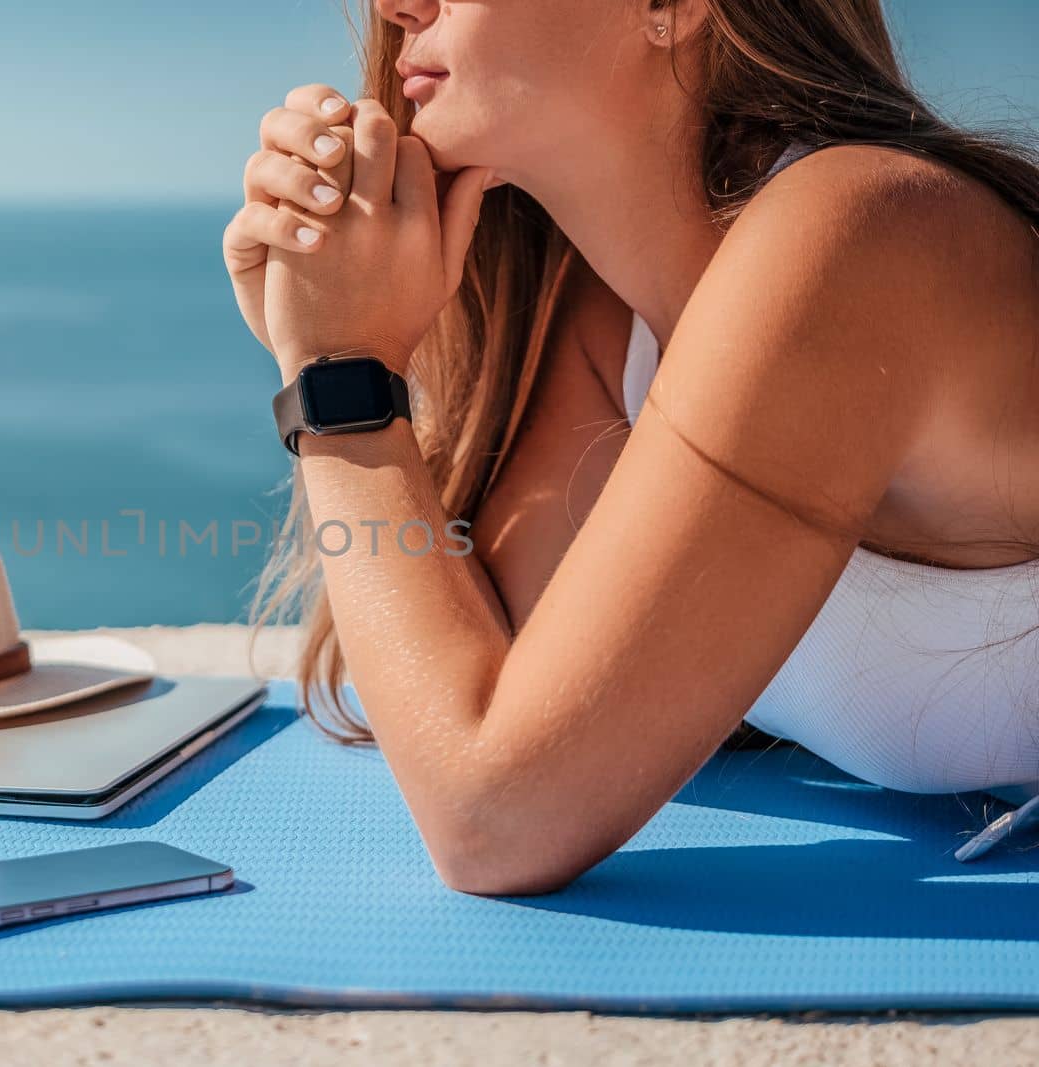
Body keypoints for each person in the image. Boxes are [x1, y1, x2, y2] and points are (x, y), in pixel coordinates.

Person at [224, 0, 1039, 893]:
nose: (395, 7)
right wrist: (335, 327)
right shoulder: (609, 323)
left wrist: (340, 384)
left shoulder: (860, 240)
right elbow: (452, 693)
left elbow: (495, 814)